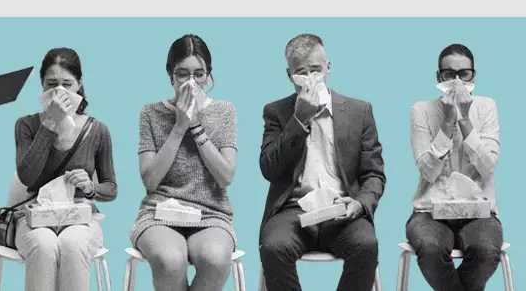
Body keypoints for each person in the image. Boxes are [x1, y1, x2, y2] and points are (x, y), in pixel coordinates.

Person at [258, 34, 386, 291]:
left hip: (342, 210)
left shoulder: (359, 111)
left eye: (315, 69)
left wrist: (360, 204)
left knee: (366, 245)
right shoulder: (276, 112)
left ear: (328, 67)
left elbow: (374, 174)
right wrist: (299, 121)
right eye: (301, 73)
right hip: (292, 211)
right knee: (273, 247)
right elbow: (269, 169)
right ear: (289, 75)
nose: (310, 79)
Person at [130, 34, 238, 291]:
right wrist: (179, 127)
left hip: (211, 214)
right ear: (171, 75)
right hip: (159, 214)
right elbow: (150, 180)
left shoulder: (224, 111)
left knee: (215, 259)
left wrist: (196, 125)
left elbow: (226, 177)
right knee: (170, 260)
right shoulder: (150, 113)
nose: (191, 82)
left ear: (208, 76)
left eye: (199, 74)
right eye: (182, 74)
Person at [14, 47, 117, 291]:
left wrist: (91, 188)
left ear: (79, 85)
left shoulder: (97, 130)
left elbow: (111, 188)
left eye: (67, 84)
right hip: (35, 216)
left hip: (81, 217)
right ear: (41, 85)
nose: (59, 92)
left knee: (72, 244)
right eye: (52, 84)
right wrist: (50, 122)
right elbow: (27, 177)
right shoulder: (26, 125)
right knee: (45, 245)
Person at [406, 44, 503, 291]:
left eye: (464, 74)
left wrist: (464, 120)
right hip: (429, 210)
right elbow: (428, 171)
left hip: (479, 210)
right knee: (430, 248)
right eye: (449, 74)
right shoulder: (421, 110)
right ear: (439, 77)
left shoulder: (487, 106)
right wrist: (448, 122)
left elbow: (487, 166)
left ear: (474, 76)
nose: (457, 81)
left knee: (485, 249)